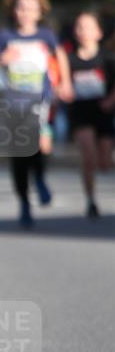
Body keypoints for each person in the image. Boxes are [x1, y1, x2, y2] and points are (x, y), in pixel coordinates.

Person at [0, 0, 72, 228]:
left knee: (38, 142)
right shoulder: (4, 37)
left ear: (40, 11)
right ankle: (24, 202)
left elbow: (60, 57)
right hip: (13, 103)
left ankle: (41, 179)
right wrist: (3, 59)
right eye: (21, 8)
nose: (25, 13)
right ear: (14, 10)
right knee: (19, 156)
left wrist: (65, 82)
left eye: (31, 8)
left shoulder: (46, 36)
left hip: (39, 99)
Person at [67, 11, 115, 217]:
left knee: (104, 163)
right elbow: (62, 83)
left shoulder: (107, 58)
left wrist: (110, 101)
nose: (82, 31)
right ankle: (91, 200)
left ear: (98, 32)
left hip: (103, 112)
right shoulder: (68, 59)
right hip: (80, 113)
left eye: (87, 27)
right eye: (79, 26)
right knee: (88, 154)